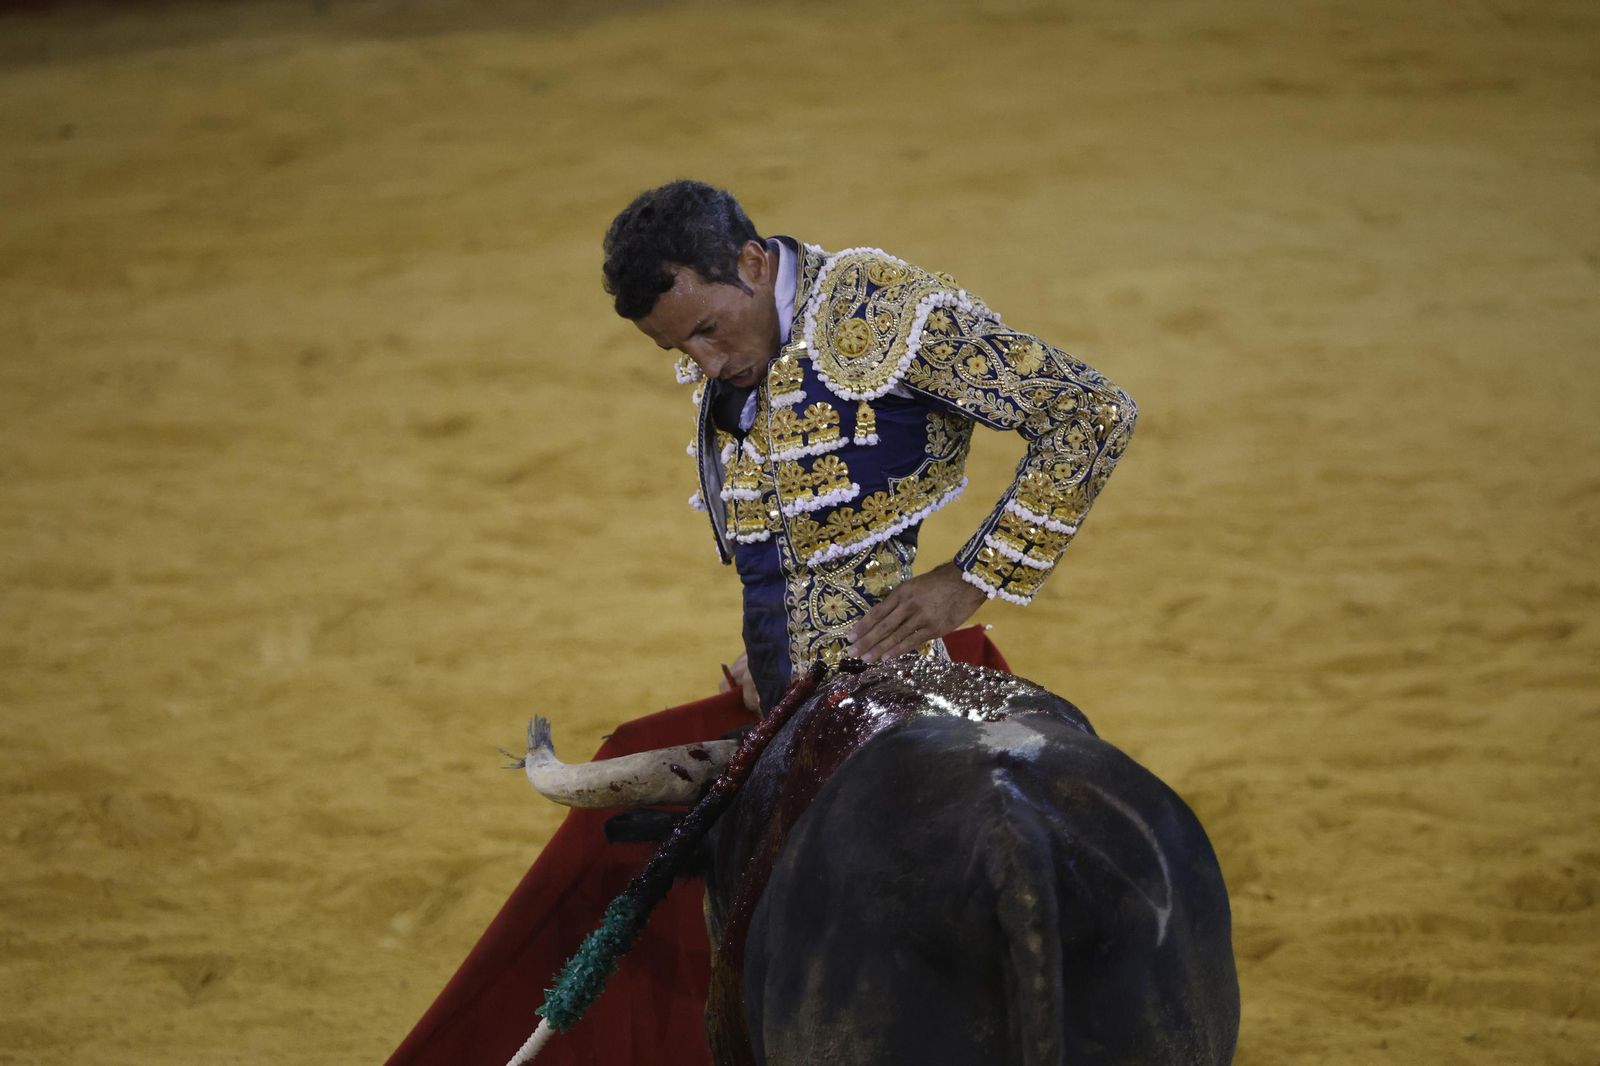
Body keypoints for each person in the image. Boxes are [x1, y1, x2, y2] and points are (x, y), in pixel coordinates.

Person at [603, 180, 1137, 712]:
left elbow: (1090, 412)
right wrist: (776, 650)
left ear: (753, 265)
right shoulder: (741, 346)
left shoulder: (885, 314)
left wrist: (969, 578)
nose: (708, 364)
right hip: (791, 699)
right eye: (678, 347)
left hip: (892, 697)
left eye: (710, 329)